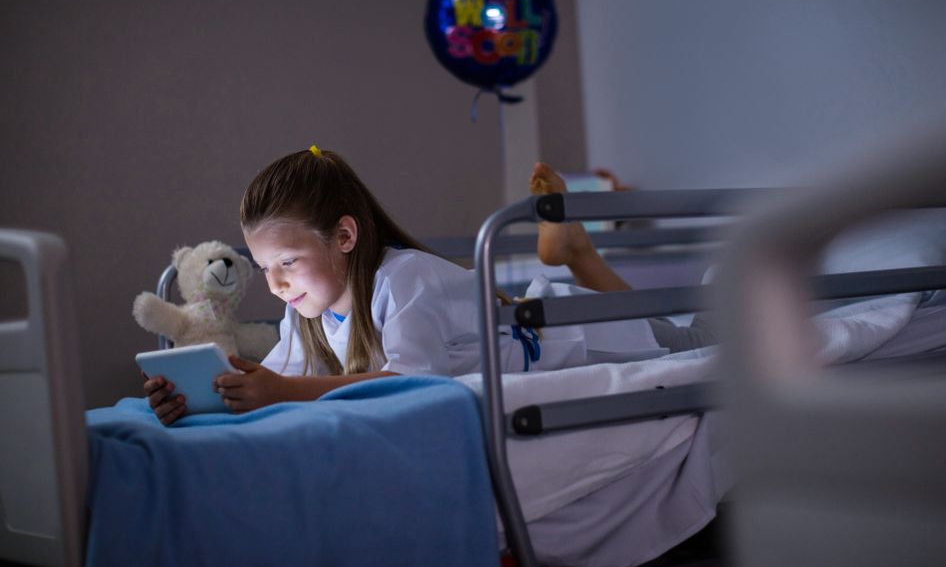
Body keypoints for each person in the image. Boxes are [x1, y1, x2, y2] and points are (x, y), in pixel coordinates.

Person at [144, 147, 671, 425]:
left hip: (584, 343)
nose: (276, 284)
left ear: (344, 236)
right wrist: (200, 395)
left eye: (287, 261)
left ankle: (577, 251)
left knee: (705, 334)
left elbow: (413, 383)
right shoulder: (306, 309)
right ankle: (575, 250)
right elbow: (275, 378)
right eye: (265, 269)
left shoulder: (404, 277)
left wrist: (281, 391)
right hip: (544, 318)